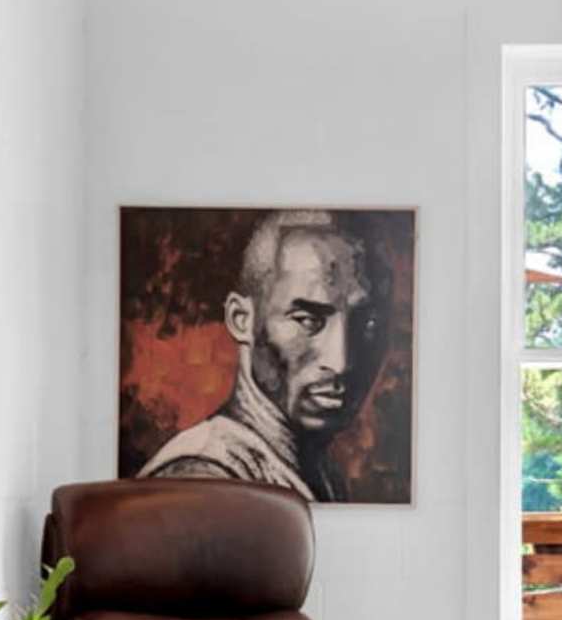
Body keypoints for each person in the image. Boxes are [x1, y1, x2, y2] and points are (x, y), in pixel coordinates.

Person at [137, 211, 385, 499]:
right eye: (307, 320)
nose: (340, 362)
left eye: (366, 324)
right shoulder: (202, 477)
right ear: (241, 319)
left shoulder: (320, 473)